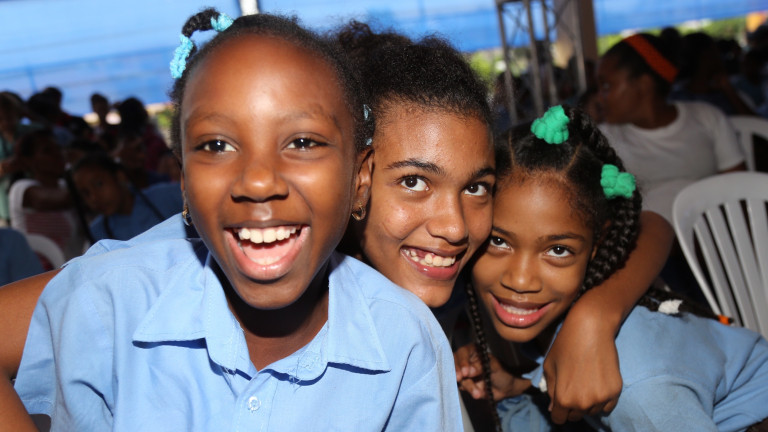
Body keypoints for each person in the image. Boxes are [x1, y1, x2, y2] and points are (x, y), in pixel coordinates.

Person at [0, 22, 676, 432]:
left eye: (476, 186)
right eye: (412, 181)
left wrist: (596, 314)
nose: (452, 223)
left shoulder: (463, 264)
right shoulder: (201, 256)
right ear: (358, 174)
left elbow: (638, 219)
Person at [12, 10, 460, 431]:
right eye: (216, 145)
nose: (259, 181)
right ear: (184, 180)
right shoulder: (110, 303)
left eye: (303, 142)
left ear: (360, 179)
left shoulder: (406, 345)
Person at [457, 105, 768, 431]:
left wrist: (593, 317)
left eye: (558, 250)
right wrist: (526, 380)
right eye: (498, 241)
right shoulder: (560, 309)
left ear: (597, 248)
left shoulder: (641, 391)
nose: (520, 279)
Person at [596, 33, 746, 224]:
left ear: (644, 84)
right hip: (645, 239)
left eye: (606, 86)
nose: (599, 97)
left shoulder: (707, 118)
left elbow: (741, 192)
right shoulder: (602, 140)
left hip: (711, 235)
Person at [8, 129, 85, 260]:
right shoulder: (22, 188)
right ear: (28, 161)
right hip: (38, 268)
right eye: (47, 151)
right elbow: (59, 200)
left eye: (58, 148)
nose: (58, 154)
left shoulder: (64, 185)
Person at [70, 152, 183, 241]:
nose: (93, 198)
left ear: (119, 176)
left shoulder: (167, 196)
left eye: (99, 184)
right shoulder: (97, 233)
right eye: (85, 193)